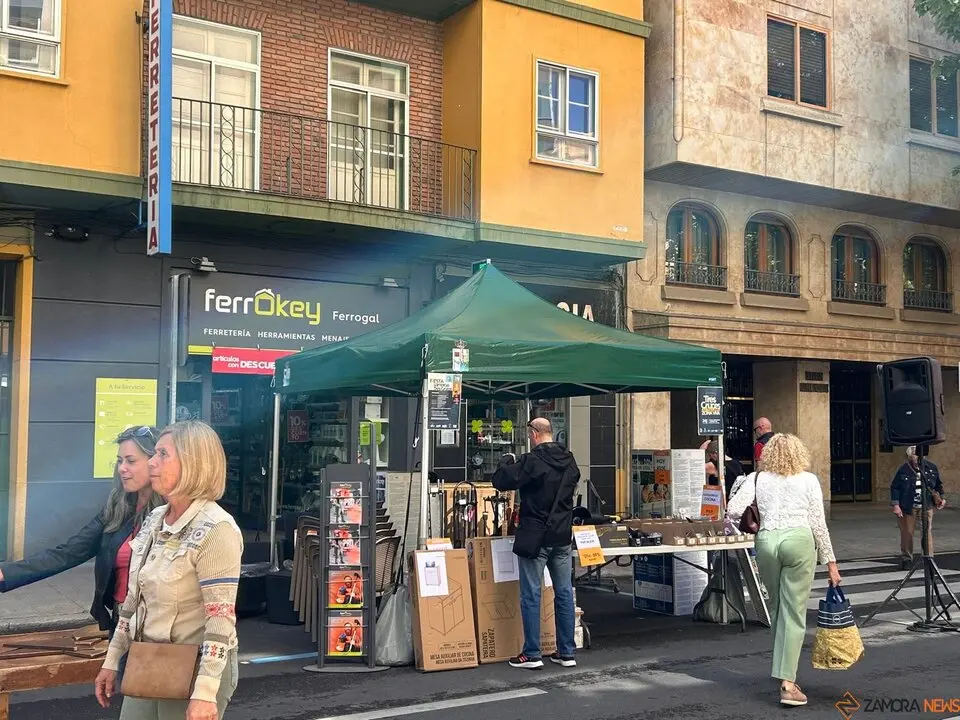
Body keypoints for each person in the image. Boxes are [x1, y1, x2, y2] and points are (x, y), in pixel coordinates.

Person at [94, 420, 243, 720]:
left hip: (196, 666)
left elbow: (220, 620)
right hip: (149, 659)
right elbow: (132, 603)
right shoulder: (155, 520)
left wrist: (204, 693)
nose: (152, 462)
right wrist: (112, 659)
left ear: (193, 463)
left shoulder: (217, 529)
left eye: (163, 454)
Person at [0, 426, 162, 633]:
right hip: (120, 623)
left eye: (130, 461)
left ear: (154, 462)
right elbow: (69, 552)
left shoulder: (171, 513)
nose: (122, 468)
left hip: (156, 629)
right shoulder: (117, 506)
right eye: (120, 460)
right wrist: (6, 573)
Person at [726, 433, 842, 708]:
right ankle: (788, 684)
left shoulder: (757, 478)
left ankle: (781, 668)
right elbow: (818, 523)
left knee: (777, 607)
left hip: (766, 541)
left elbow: (732, 509)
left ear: (768, 454)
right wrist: (831, 564)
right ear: (798, 453)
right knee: (794, 612)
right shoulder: (808, 479)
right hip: (798, 540)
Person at [492, 417, 579, 670]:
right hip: (562, 535)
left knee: (531, 594)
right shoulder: (571, 461)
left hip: (535, 536)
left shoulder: (532, 461)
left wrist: (507, 461)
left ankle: (532, 653)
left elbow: (501, 481)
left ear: (533, 434)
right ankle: (567, 652)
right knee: (563, 593)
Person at [890, 445, 946, 569]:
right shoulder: (904, 469)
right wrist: (896, 505)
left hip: (926, 505)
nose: (916, 458)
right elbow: (895, 487)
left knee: (927, 533)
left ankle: (928, 558)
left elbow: (938, 484)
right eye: (913, 456)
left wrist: (942, 497)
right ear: (909, 457)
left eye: (918, 455)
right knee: (907, 533)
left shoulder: (931, 467)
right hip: (908, 506)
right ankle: (907, 558)